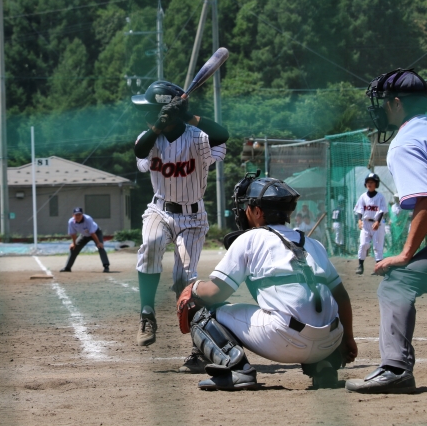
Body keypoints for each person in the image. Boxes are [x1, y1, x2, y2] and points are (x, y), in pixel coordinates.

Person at [177, 173, 357, 390]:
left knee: (203, 312)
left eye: (247, 206)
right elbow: (342, 297)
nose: (244, 211)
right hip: (330, 342)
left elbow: (215, 292)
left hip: (283, 340)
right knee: (310, 308)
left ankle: (237, 369)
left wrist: (193, 287)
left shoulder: (250, 238)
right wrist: (348, 339)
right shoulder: (313, 243)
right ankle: (324, 368)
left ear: (257, 211)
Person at [131, 80, 228, 373]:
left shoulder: (198, 138)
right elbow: (140, 152)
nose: (145, 114)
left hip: (193, 218)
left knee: (184, 279)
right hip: (159, 210)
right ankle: (147, 314)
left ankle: (199, 348)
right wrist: (159, 127)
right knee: (151, 244)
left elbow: (222, 136)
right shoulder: (148, 138)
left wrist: (187, 116)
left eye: (151, 109)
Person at [346, 68, 427, 394]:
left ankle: (395, 369)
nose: (379, 108)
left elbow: (425, 200)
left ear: (396, 103)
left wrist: (406, 254)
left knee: (397, 283)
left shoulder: (406, 142)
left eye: (383, 101)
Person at [353, 173, 387, 275]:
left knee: (377, 246)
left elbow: (382, 210)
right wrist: (359, 220)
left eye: (372, 182)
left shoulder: (380, 197)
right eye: (368, 182)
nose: (369, 184)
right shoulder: (363, 196)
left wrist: (378, 221)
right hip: (366, 223)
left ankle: (379, 268)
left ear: (376, 184)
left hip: (378, 224)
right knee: (363, 244)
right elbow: (359, 209)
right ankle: (360, 266)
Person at [59, 207, 110, 273]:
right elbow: (73, 234)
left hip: (96, 233)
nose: (78, 216)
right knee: (73, 248)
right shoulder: (71, 222)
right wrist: (74, 244)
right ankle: (67, 267)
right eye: (76, 215)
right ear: (73, 215)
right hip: (84, 235)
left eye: (79, 214)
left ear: (82, 215)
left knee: (100, 247)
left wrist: (98, 243)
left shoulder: (88, 219)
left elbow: (92, 233)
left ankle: (106, 266)